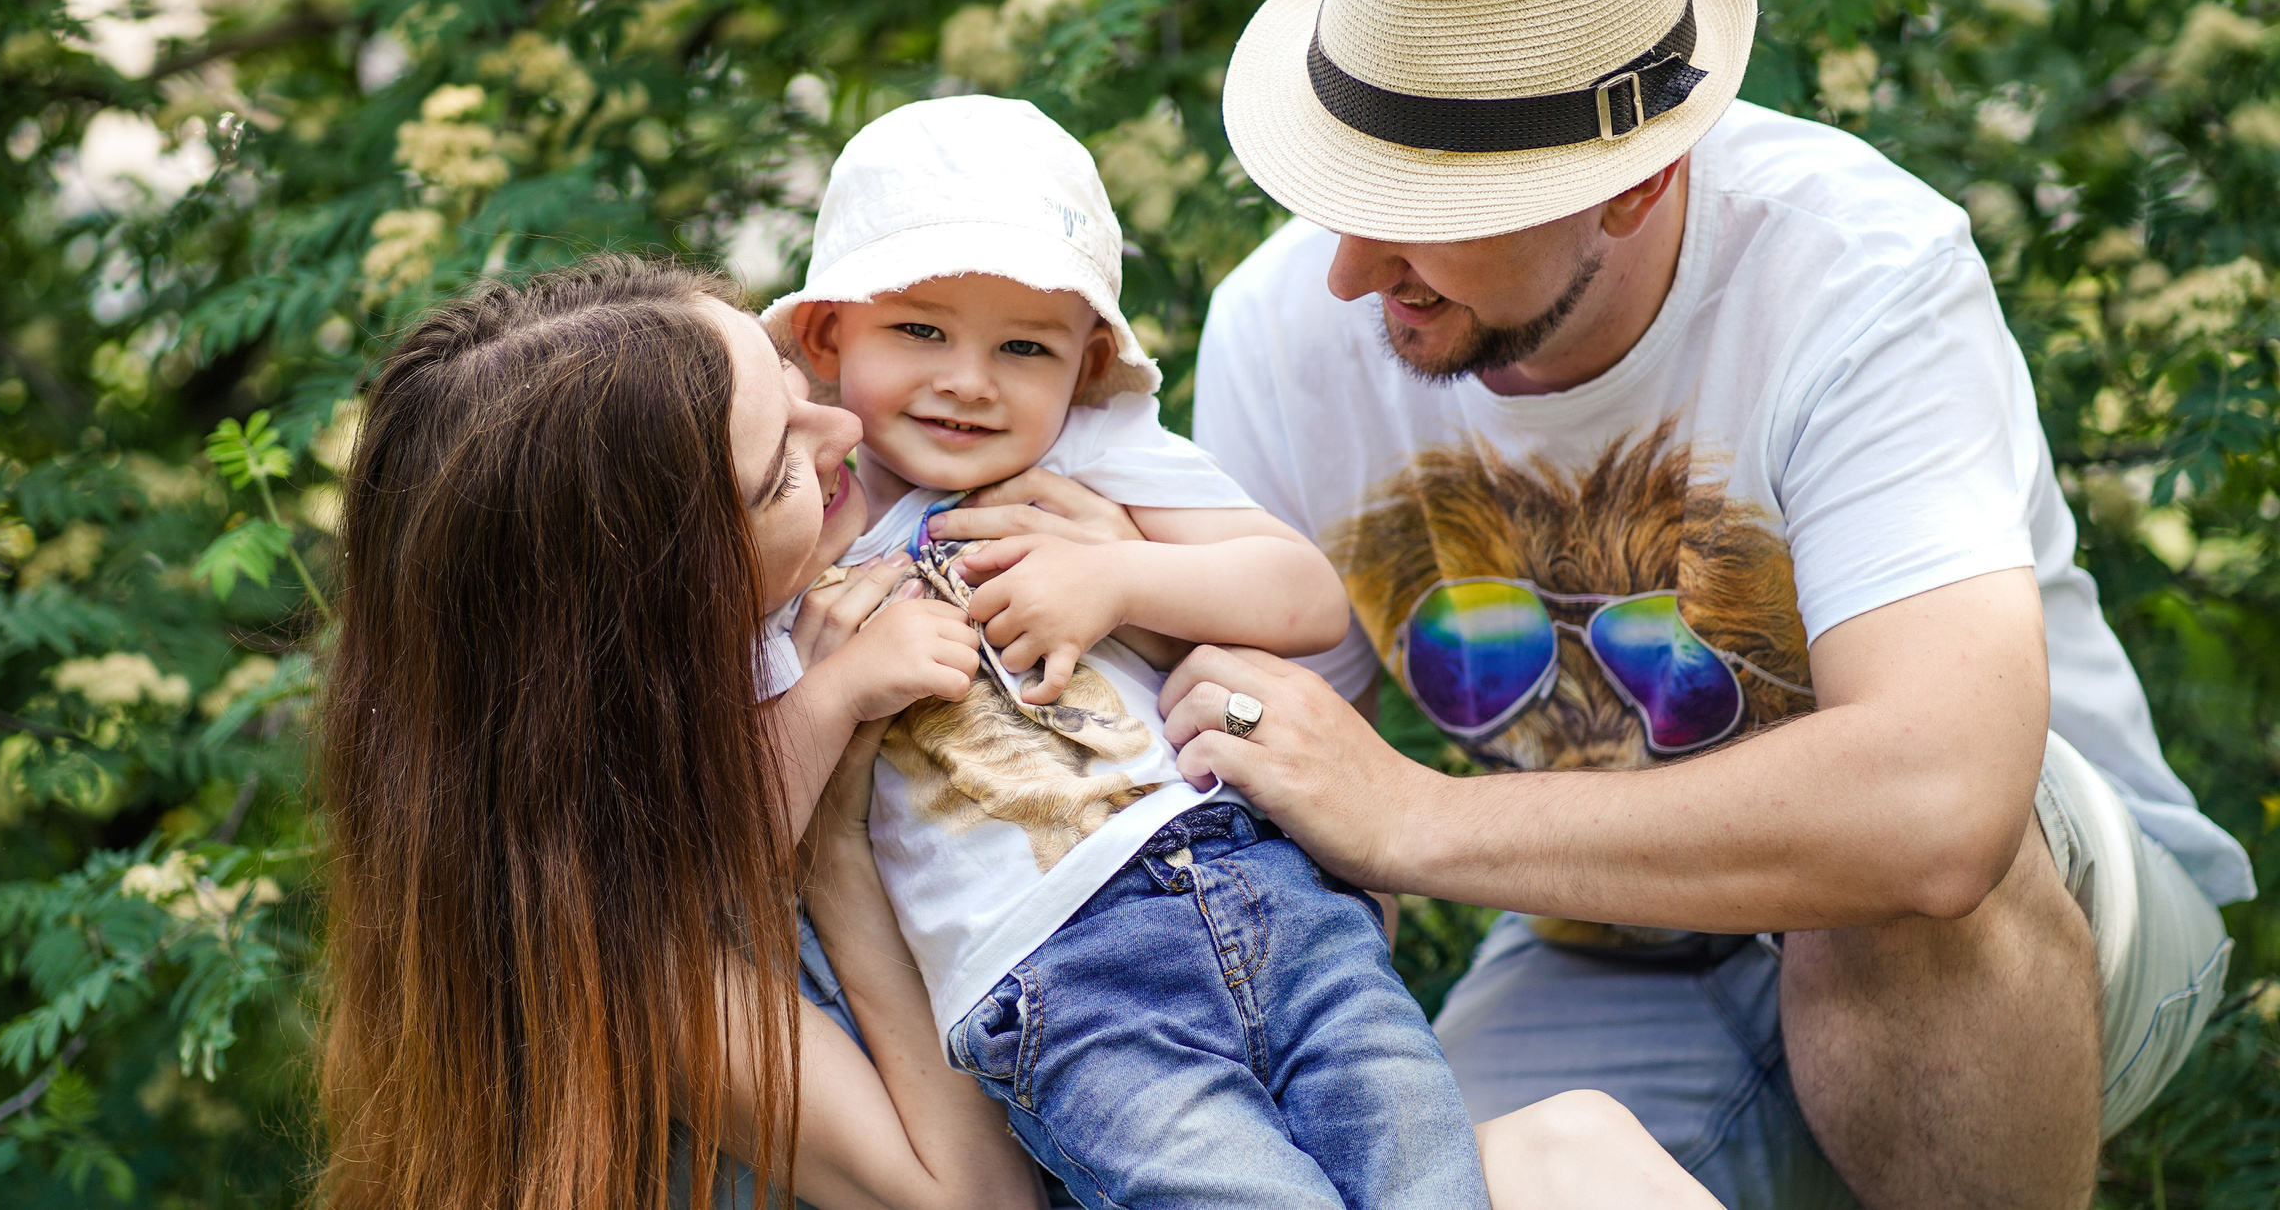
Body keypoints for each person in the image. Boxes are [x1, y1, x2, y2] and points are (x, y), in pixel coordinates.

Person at [1162, 0, 2253, 1210]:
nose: (1351, 270)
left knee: (1876, 883)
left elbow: (1939, 808)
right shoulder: (1280, 328)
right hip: (1611, 943)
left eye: (1420, 204)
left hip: (2038, 928)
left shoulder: (1859, 272)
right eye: (1338, 190)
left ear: (1637, 180)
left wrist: (1418, 820)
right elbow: (1278, 809)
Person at [315, 252, 1726, 1210]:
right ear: (664, 592)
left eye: (790, 376)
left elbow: (1244, 678)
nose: (837, 431)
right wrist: (838, 865)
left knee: (1583, 1150)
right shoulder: (614, 917)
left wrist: (1131, 584)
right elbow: (974, 1196)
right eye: (775, 466)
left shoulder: (917, 540)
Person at [758, 94, 1486, 1210]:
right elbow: (729, 824)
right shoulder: (791, 538)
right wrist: (843, 686)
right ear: (825, 335)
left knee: (1424, 1166)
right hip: (1061, 980)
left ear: (1086, 361)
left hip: (1257, 885)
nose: (969, 379)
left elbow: (1302, 598)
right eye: (919, 331)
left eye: (1023, 348)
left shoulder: (1094, 451)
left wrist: (1120, 576)